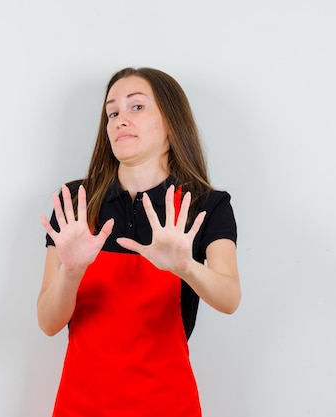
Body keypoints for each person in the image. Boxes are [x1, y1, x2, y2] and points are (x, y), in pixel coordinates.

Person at [38, 67, 241, 417]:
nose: (119, 120)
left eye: (136, 107)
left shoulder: (206, 204)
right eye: (112, 112)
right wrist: (71, 272)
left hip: (168, 403)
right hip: (81, 404)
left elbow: (229, 298)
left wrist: (186, 267)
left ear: (171, 122)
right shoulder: (76, 202)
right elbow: (48, 321)